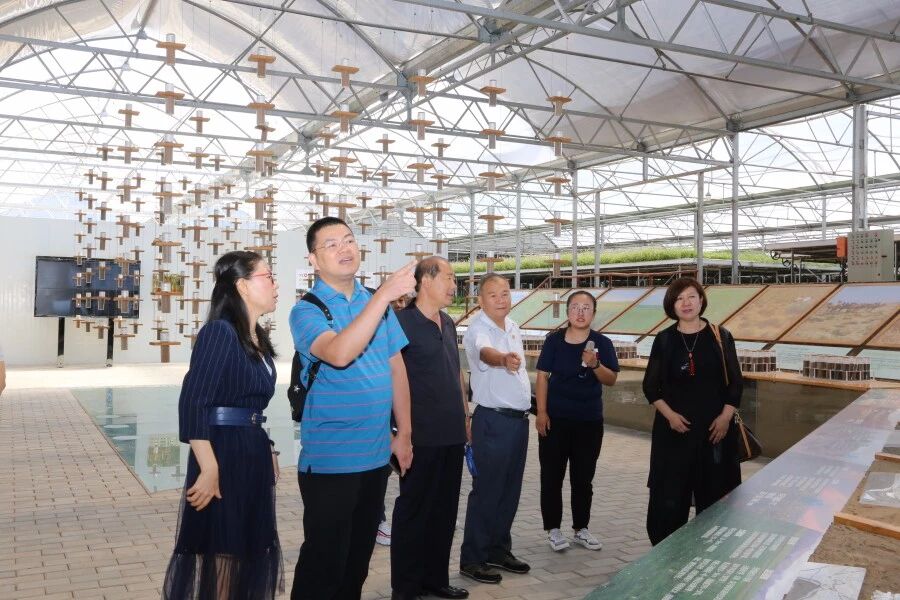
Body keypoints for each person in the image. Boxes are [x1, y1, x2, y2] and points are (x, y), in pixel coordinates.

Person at [289, 216, 416, 600]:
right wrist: (382, 297)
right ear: (313, 260)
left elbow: (396, 367)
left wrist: (404, 434)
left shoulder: (373, 301)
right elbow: (339, 353)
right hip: (331, 461)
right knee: (323, 567)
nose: (344, 248)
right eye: (331, 244)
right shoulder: (306, 311)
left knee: (356, 565)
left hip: (375, 457)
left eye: (348, 240)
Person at [162, 250, 283, 599]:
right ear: (243, 286)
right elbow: (193, 402)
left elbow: (247, 404)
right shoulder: (220, 332)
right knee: (224, 552)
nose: (275, 285)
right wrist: (209, 467)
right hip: (222, 453)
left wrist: (268, 447)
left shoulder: (257, 338)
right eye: (268, 277)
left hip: (250, 451)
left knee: (246, 549)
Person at [391, 257, 470, 600]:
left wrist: (465, 417)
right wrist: (400, 433)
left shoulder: (448, 322)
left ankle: (435, 579)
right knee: (414, 511)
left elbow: (455, 373)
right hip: (419, 435)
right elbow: (392, 378)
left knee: (444, 511)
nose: (454, 285)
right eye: (449, 278)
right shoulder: (401, 323)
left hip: (451, 433)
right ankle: (406, 587)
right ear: (426, 280)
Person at [642, 277, 743, 546]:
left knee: (716, 498)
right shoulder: (664, 340)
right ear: (671, 305)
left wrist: (725, 418)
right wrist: (670, 416)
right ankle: (667, 553)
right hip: (673, 434)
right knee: (668, 499)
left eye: (691, 297)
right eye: (679, 298)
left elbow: (735, 384)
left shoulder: (720, 336)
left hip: (715, 435)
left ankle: (712, 551)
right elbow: (650, 387)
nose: (685, 303)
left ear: (701, 300)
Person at [458, 274, 531, 585]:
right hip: (493, 421)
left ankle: (498, 550)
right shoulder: (478, 329)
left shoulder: (512, 325)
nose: (501, 299)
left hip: (518, 421)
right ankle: (472, 558)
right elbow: (486, 353)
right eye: (493, 295)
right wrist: (503, 359)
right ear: (480, 300)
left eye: (505, 293)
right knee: (487, 491)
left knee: (510, 490)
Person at [535, 290, 619, 552]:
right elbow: (542, 376)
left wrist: (595, 365)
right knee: (551, 476)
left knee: (583, 478)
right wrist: (541, 412)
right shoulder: (554, 341)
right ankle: (553, 529)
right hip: (555, 420)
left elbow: (611, 379)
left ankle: (581, 528)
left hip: (588, 421)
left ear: (593, 313)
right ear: (568, 311)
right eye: (575, 307)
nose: (580, 312)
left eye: (586, 308)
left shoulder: (602, 343)